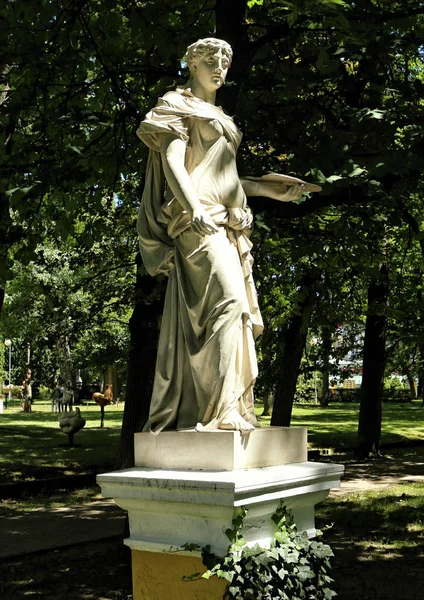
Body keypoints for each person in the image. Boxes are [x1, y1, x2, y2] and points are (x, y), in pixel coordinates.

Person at [137, 38, 304, 434]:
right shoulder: (176, 107)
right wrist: (192, 206)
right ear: (192, 64)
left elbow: (225, 177)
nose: (219, 68)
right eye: (210, 60)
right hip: (198, 222)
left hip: (226, 224)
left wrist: (267, 190)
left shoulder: (220, 115)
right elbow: (174, 161)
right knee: (229, 302)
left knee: (238, 311)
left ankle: (230, 408)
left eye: (225, 62)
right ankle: (220, 411)